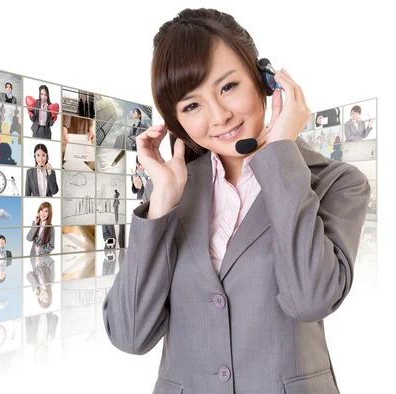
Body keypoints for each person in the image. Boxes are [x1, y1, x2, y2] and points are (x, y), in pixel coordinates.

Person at [102, 8, 371, 394]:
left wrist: (280, 153)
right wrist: (161, 201)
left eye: (228, 87)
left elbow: (309, 299)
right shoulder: (173, 194)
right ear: (177, 122)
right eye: (192, 105)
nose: (219, 115)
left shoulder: (337, 183)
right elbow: (130, 335)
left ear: (265, 80)